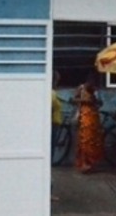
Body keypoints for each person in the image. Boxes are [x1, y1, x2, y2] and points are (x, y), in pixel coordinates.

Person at [71, 72, 104, 173]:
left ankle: (92, 164)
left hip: (94, 117)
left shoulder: (96, 91)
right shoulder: (81, 88)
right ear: (88, 81)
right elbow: (73, 99)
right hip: (84, 117)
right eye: (91, 82)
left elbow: (100, 103)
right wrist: (84, 100)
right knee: (84, 140)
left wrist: (97, 101)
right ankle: (84, 163)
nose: (92, 84)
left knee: (95, 141)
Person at [50, 71, 62, 201]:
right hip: (52, 126)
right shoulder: (52, 93)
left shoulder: (51, 93)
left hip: (53, 126)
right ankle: (48, 191)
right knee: (49, 159)